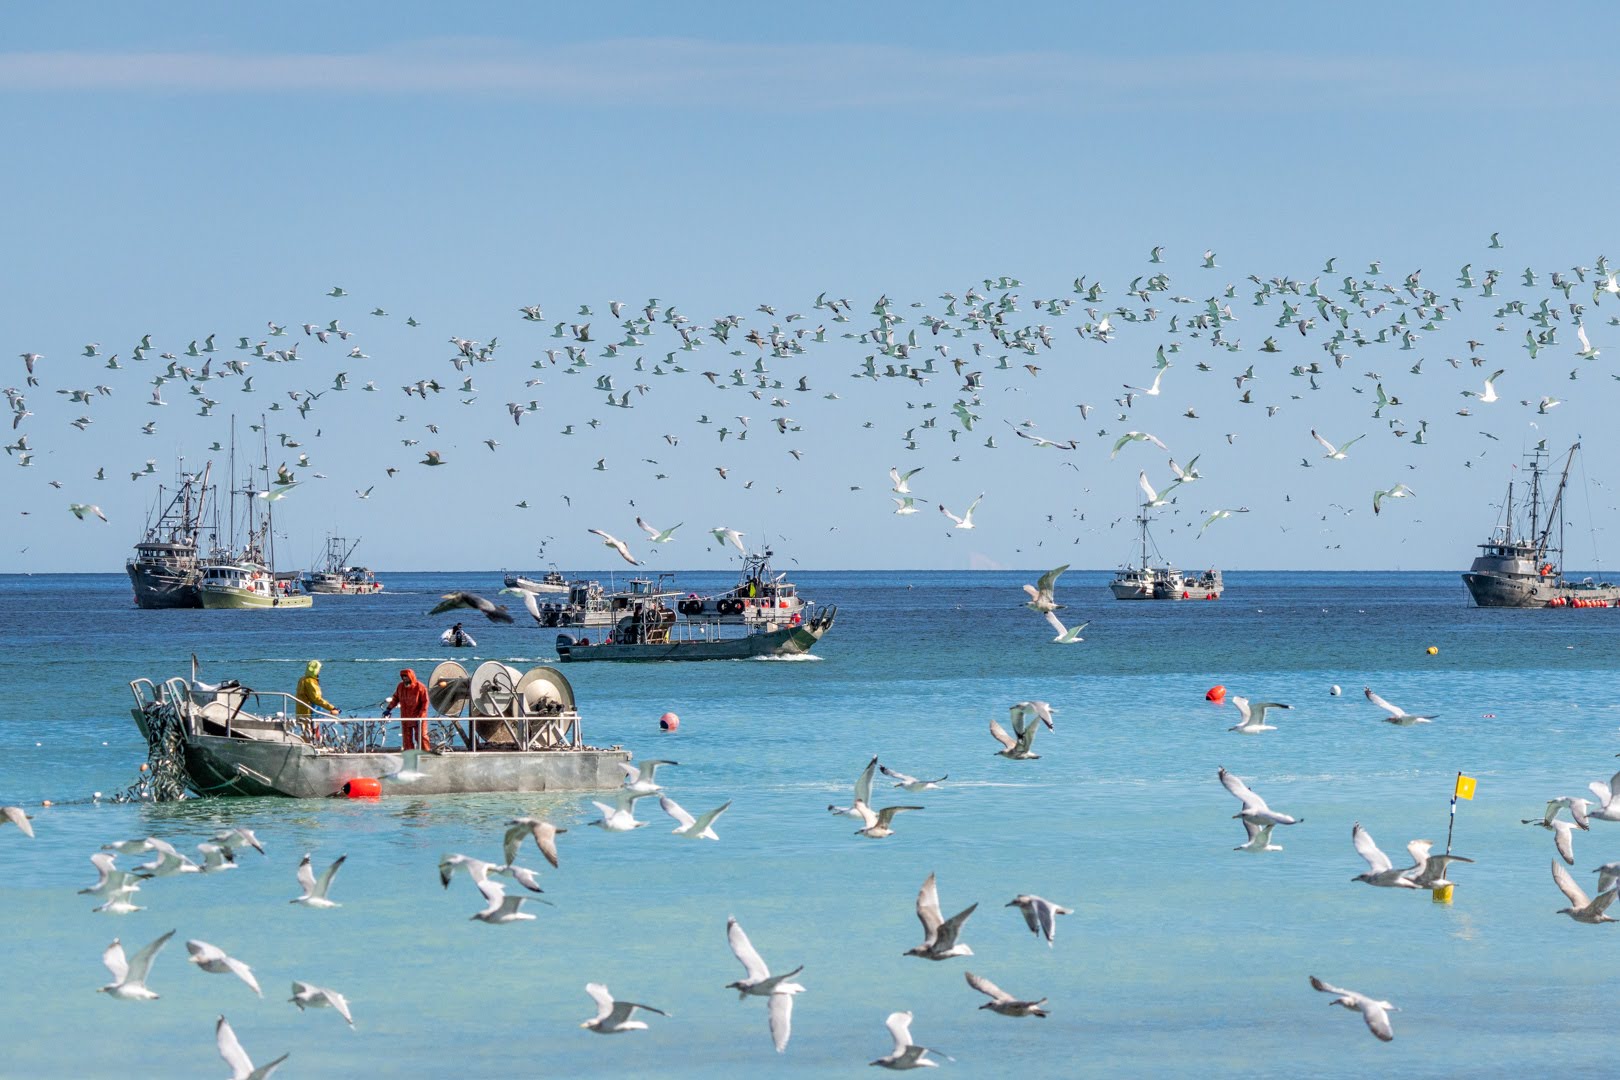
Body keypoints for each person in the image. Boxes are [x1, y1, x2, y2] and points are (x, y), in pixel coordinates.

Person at [383, 667, 430, 751]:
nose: (404, 678)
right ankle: (409, 754)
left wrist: (421, 716)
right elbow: (395, 698)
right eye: (403, 677)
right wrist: (389, 708)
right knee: (406, 738)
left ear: (411, 677)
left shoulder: (420, 687)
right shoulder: (400, 686)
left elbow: (425, 703)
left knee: (421, 736)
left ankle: (426, 753)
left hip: (418, 717)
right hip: (405, 716)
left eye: (406, 676)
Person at [294, 660, 337, 738]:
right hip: (311, 711)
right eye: (319, 669)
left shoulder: (302, 679)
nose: (319, 671)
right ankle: (312, 745)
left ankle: (308, 744)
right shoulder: (310, 681)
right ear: (315, 670)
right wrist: (332, 708)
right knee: (312, 732)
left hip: (302, 711)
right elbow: (316, 698)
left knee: (305, 732)